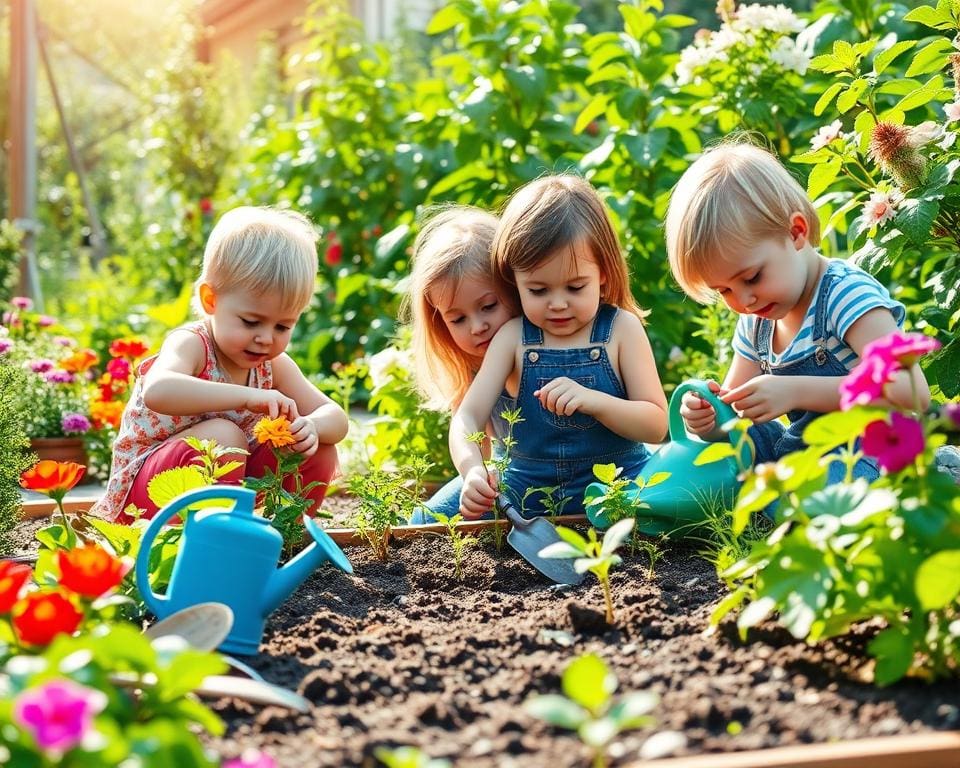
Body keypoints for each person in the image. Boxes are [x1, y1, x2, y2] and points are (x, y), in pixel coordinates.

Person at [665, 140, 929, 483]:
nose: (744, 301)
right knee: (729, 459)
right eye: (724, 290)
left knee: (818, 488)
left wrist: (794, 390)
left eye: (751, 277)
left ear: (796, 232)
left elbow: (911, 394)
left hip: (868, 446)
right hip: (802, 448)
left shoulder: (846, 295)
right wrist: (711, 419)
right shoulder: (757, 320)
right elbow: (736, 414)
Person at [93, 206, 348, 522]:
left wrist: (312, 426)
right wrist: (247, 397)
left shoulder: (274, 365)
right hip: (151, 497)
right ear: (210, 300)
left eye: (283, 326)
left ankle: (280, 541)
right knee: (224, 436)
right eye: (251, 321)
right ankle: (205, 548)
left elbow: (336, 417)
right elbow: (158, 390)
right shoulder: (192, 345)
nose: (266, 338)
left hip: (225, 491)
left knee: (318, 448)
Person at [450, 174, 668, 519]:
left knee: (687, 496)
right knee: (423, 522)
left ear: (604, 274)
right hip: (525, 488)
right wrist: (473, 471)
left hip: (618, 486)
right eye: (538, 291)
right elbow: (468, 416)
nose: (558, 304)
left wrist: (595, 401)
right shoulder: (512, 338)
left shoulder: (620, 330)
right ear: (514, 280)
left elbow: (656, 424)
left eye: (575, 287)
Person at [403, 205, 518, 522]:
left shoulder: (538, 348)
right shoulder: (472, 369)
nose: (476, 326)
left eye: (488, 306)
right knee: (423, 522)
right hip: (509, 479)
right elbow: (468, 434)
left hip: (568, 473)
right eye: (458, 318)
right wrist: (474, 476)